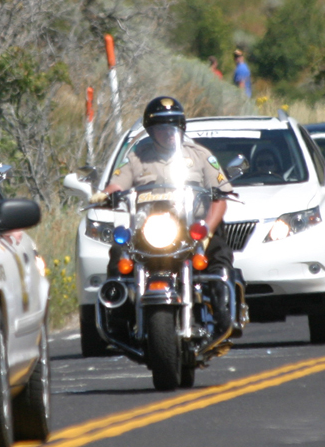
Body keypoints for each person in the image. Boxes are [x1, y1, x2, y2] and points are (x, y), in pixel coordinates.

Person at [91, 97, 237, 330]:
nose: (169, 132)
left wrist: (206, 230)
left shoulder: (200, 155)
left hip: (192, 227)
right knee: (120, 253)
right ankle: (117, 316)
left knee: (219, 254)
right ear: (150, 131)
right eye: (161, 127)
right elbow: (117, 184)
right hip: (149, 228)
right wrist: (105, 195)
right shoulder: (136, 157)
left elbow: (220, 197)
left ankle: (223, 311)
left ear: (182, 128)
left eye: (173, 126)